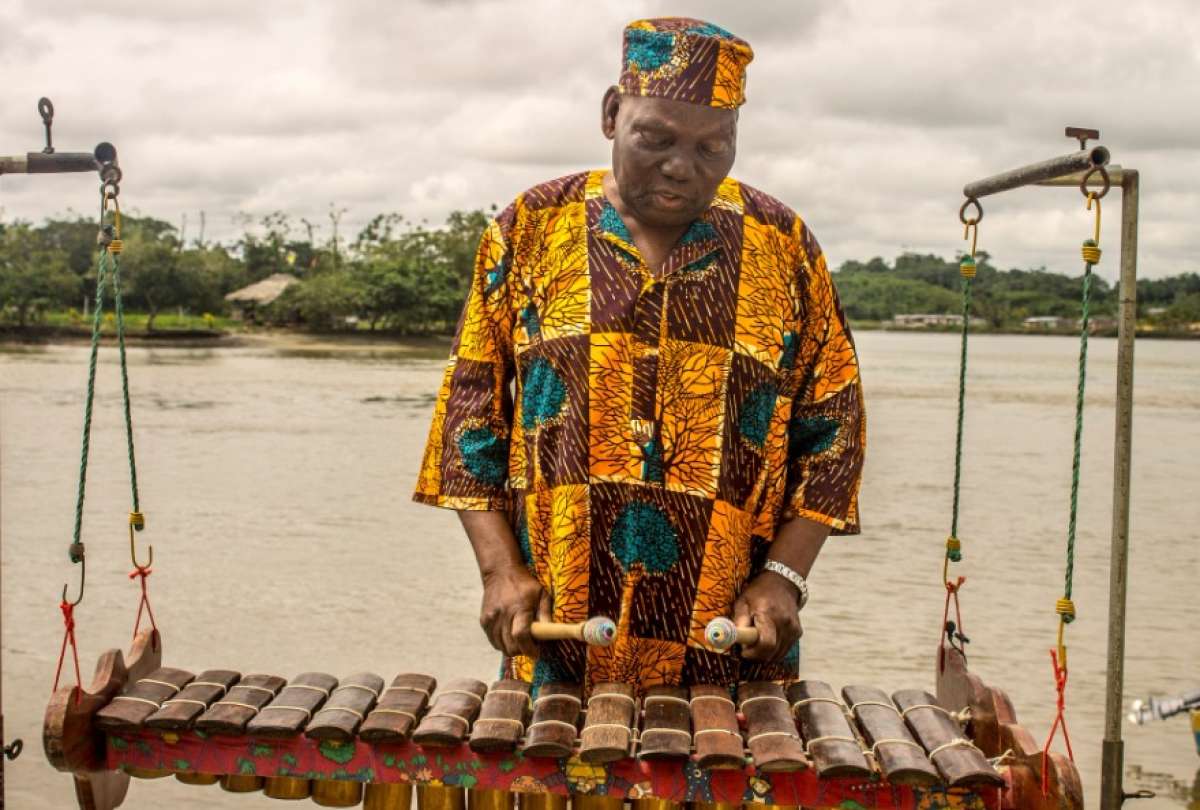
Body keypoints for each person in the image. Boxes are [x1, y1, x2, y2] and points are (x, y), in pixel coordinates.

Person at [414, 17, 865, 694]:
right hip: (560, 632)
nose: (683, 167)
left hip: (731, 644)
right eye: (656, 139)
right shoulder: (527, 229)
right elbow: (469, 419)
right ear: (610, 113)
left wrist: (784, 578)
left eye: (713, 147)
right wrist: (499, 571)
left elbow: (835, 431)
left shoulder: (784, 245)